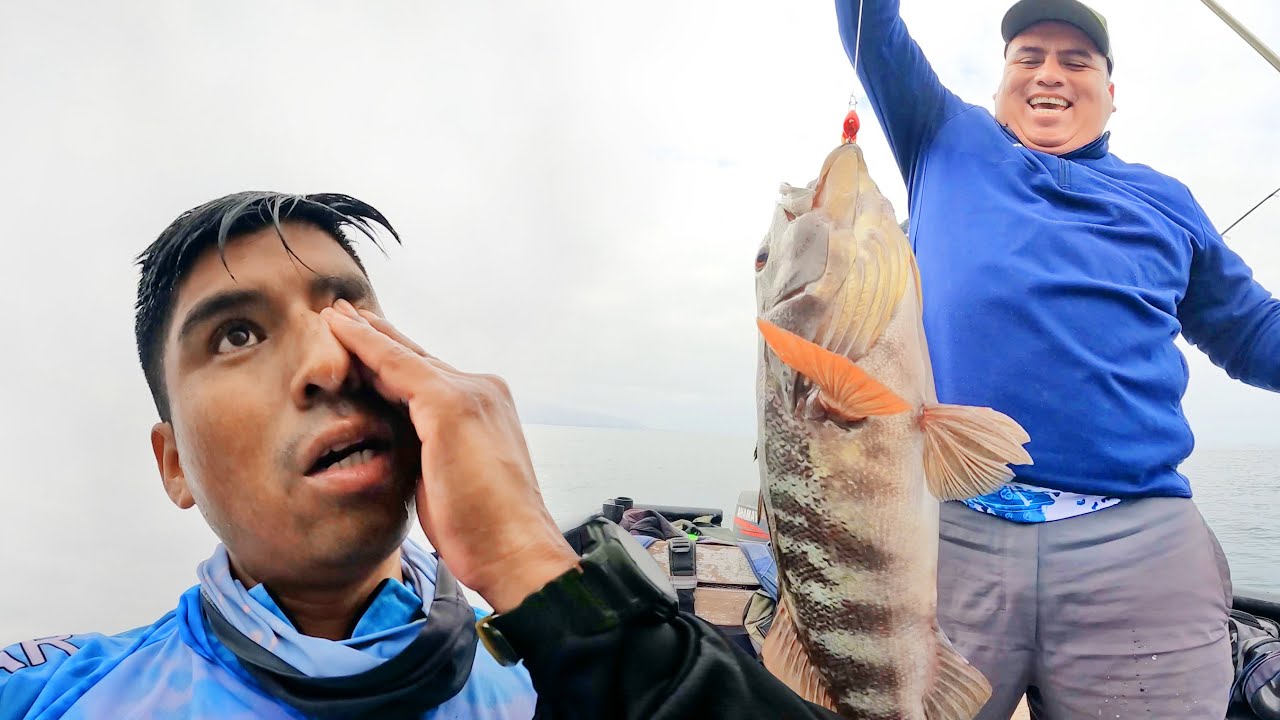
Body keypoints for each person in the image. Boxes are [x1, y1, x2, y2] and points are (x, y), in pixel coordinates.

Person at [0, 192, 843, 719]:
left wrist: (531, 564)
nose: (331, 362)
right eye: (238, 334)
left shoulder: (577, 672)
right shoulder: (64, 694)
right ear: (173, 463)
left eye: (346, 309)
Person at [834, 0, 1280, 717]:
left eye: (1077, 62)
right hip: (945, 532)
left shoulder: (1168, 202)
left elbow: (1253, 332)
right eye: (1028, 57)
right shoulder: (944, 138)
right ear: (1000, 82)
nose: (1051, 74)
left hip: (1139, 547)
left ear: (1111, 93)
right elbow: (869, 27)